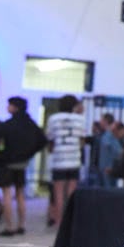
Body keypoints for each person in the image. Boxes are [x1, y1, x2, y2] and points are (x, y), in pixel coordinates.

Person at [0, 96, 47, 236]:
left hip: (7, 163)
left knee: (7, 195)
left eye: (9, 105)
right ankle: (21, 225)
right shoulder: (30, 124)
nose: (7, 107)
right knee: (20, 193)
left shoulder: (7, 125)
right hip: (22, 163)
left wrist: (1, 152)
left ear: (14, 107)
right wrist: (29, 153)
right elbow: (43, 140)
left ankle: (9, 227)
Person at [45, 94, 86, 229]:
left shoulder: (53, 119)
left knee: (58, 193)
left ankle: (59, 222)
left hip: (59, 160)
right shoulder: (80, 120)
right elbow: (82, 141)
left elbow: (50, 140)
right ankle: (70, 222)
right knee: (71, 193)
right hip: (74, 160)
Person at [97, 114, 124, 188]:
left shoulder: (111, 135)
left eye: (101, 120)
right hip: (103, 169)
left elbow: (118, 151)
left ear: (106, 121)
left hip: (108, 170)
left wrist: (111, 166)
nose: (99, 122)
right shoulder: (106, 134)